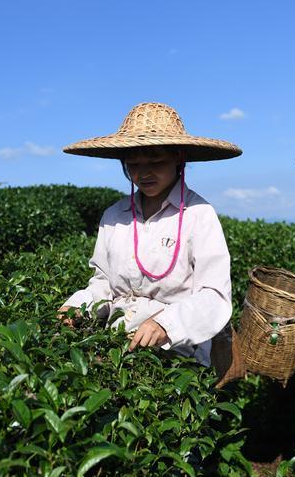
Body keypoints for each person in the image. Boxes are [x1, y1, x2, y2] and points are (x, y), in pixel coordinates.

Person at [58, 102, 242, 367]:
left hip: (179, 353)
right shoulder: (114, 216)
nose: (143, 173)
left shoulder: (198, 215)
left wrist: (165, 324)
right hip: (117, 345)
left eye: (155, 161)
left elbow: (214, 296)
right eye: (133, 164)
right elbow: (103, 284)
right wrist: (76, 306)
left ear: (179, 159)